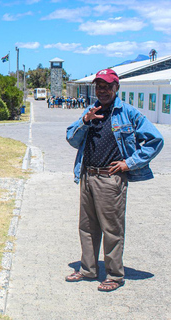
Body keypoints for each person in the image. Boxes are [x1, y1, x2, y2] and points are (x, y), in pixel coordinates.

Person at [65, 69, 164, 292]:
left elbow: (155, 140)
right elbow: (71, 138)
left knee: (112, 229)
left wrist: (129, 163)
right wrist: (85, 120)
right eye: (98, 86)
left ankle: (114, 275)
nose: (102, 90)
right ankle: (88, 269)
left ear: (116, 87)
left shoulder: (128, 113)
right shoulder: (90, 112)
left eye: (107, 86)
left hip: (110, 180)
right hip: (87, 176)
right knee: (87, 227)